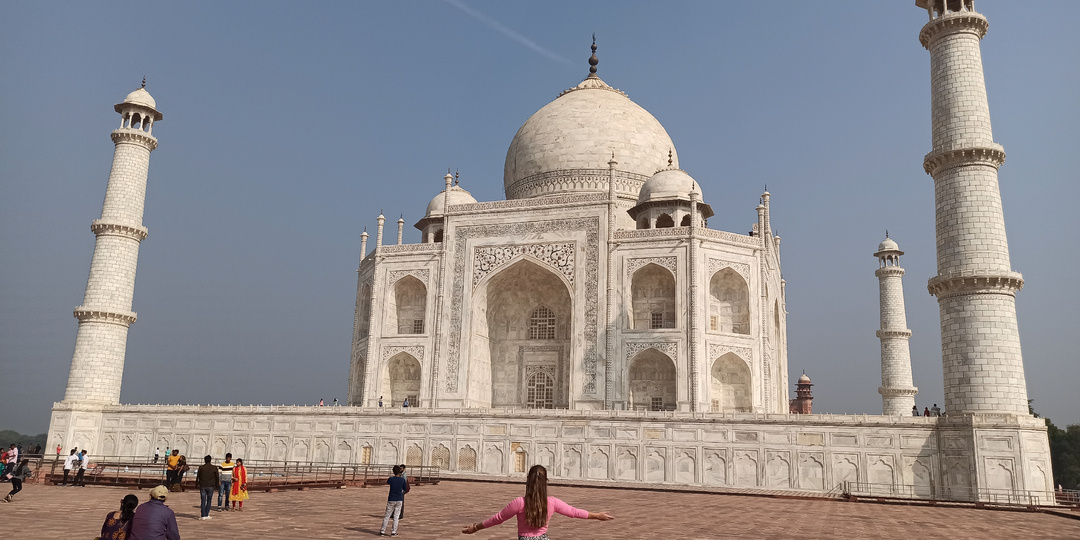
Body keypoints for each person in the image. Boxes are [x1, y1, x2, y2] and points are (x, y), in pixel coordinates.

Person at [462, 464, 613, 537]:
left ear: (527, 480)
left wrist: (475, 527)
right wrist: (597, 515)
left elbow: (497, 519)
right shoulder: (552, 502)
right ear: (546, 481)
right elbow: (574, 512)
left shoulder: (519, 503)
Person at [380, 464, 410, 536]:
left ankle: (382, 531)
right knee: (396, 516)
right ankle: (393, 532)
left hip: (391, 498)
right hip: (399, 499)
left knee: (387, 515)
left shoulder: (391, 479)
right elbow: (405, 488)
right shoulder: (402, 480)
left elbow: (388, 482)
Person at [196, 455, 219, 520]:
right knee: (209, 500)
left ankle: (203, 514)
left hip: (203, 485)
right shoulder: (214, 468)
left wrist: (197, 484)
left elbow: (198, 476)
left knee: (203, 500)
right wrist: (217, 485)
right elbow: (217, 477)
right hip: (211, 486)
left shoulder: (201, 467)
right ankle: (206, 514)